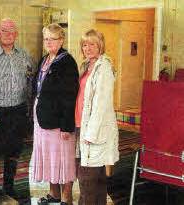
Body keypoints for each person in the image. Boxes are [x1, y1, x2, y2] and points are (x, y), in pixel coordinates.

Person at [0, 18, 36, 204]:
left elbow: (34, 81)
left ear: (17, 34)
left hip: (18, 111)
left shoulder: (26, 55)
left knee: (14, 150)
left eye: (12, 31)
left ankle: (9, 188)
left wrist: (29, 111)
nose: (9, 34)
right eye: (4, 31)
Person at [30, 23, 79, 205]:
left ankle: (66, 199)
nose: (49, 42)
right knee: (50, 159)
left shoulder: (67, 62)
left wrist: (67, 125)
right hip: (42, 119)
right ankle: (54, 195)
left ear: (62, 40)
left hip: (59, 122)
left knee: (63, 161)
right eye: (46, 39)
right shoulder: (44, 59)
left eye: (53, 38)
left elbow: (70, 96)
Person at [75, 29, 119, 205]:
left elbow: (101, 105)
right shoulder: (87, 66)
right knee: (96, 178)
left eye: (92, 44)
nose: (88, 48)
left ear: (100, 45)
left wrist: (90, 135)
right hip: (81, 125)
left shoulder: (104, 68)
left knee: (87, 180)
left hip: (94, 132)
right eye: (85, 45)